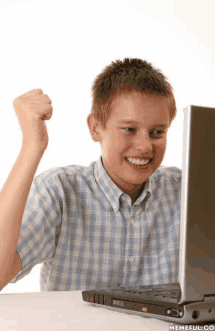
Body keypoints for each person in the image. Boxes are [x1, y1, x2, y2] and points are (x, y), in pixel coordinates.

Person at [0, 58, 181, 292]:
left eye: (157, 132)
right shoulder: (59, 192)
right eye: (129, 129)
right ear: (96, 127)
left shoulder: (184, 192)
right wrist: (33, 145)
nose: (145, 146)